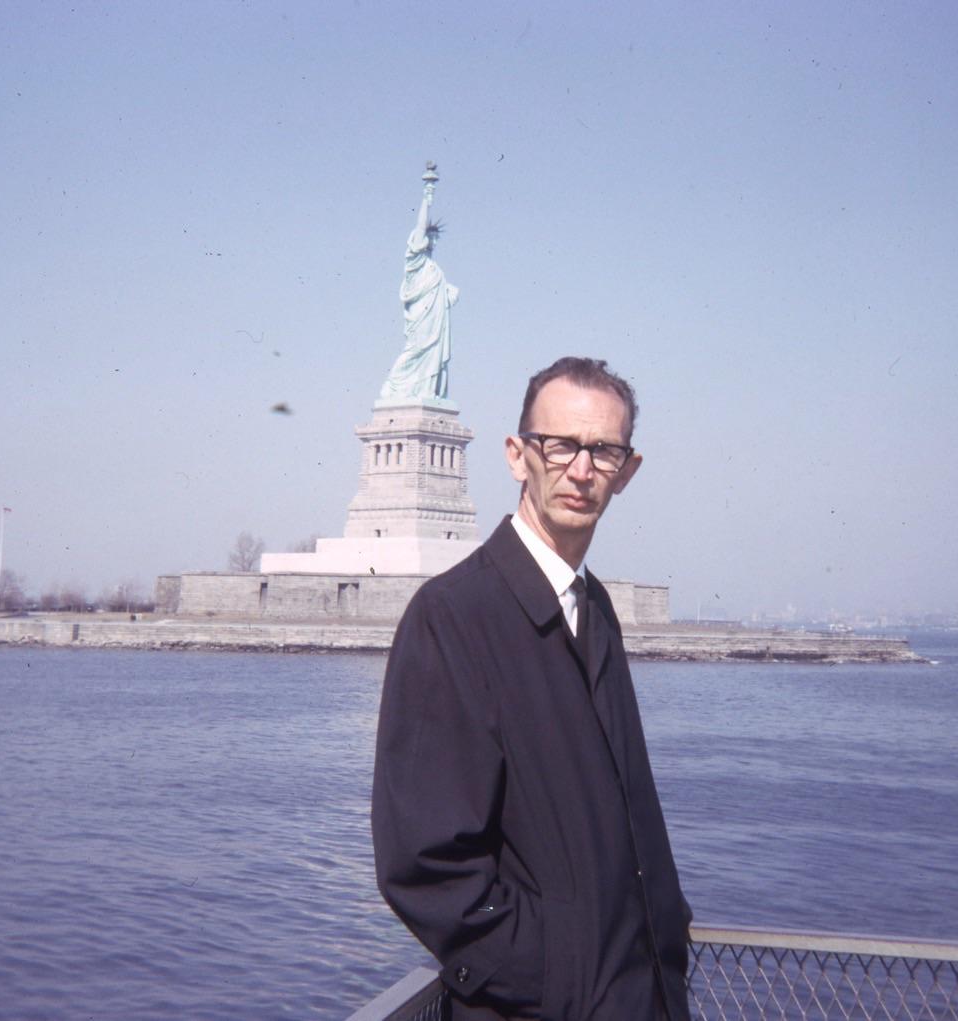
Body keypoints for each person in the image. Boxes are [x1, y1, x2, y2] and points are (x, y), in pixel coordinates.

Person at [372, 357, 693, 1020]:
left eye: (603, 450)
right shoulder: (452, 616)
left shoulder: (594, 605)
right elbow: (426, 865)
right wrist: (559, 980)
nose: (581, 469)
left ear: (627, 471)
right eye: (560, 445)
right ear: (518, 456)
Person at [379, 175, 459, 402]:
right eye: (427, 237)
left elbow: (440, 294)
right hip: (421, 321)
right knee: (416, 350)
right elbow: (420, 227)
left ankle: (426, 392)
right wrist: (427, 197)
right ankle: (395, 387)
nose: (430, 241)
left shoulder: (434, 268)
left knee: (430, 354)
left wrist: (448, 293)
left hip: (435, 322)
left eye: (434, 238)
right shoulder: (415, 262)